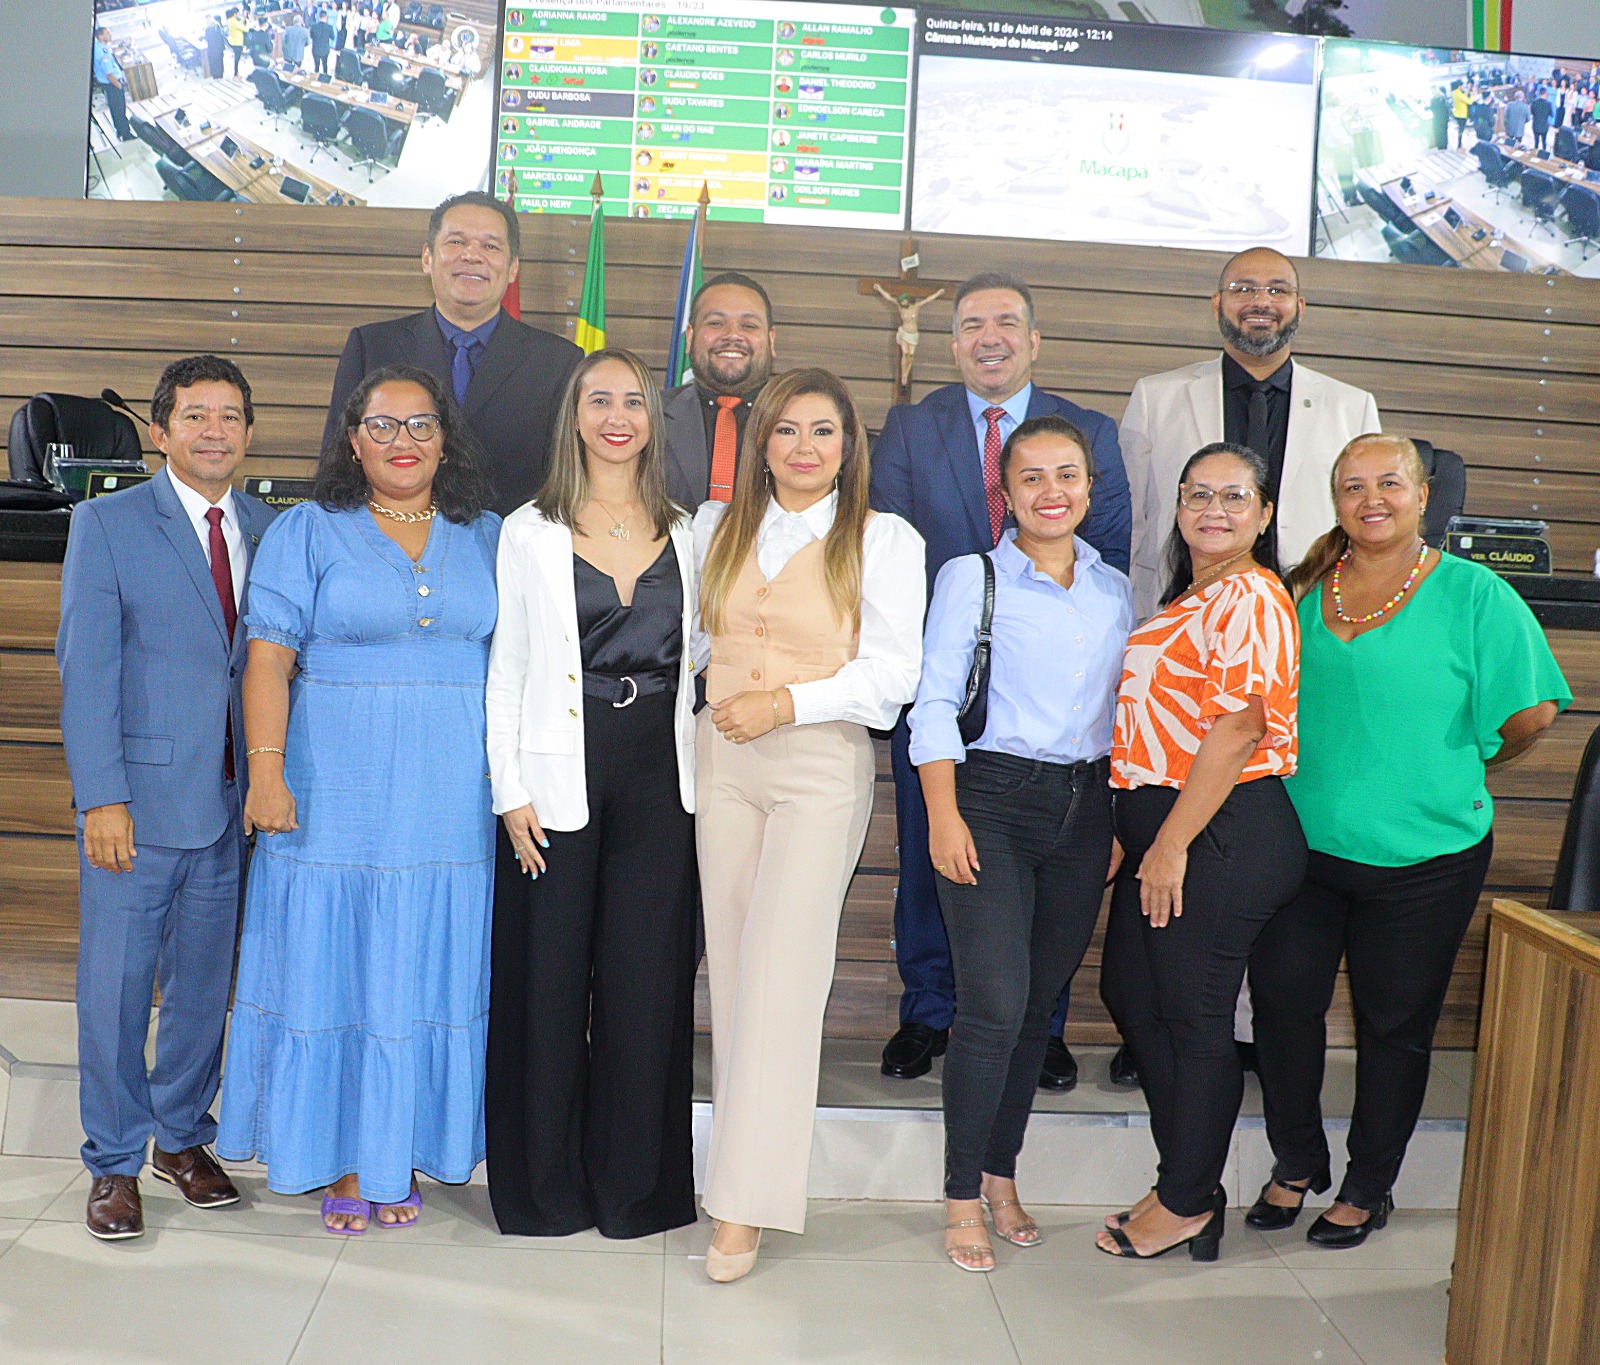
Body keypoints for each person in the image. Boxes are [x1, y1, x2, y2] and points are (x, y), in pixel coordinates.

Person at [1246, 435, 1568, 1248]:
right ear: (1336, 501)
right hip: (1303, 852)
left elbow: (1532, 714)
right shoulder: (1303, 589)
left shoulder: (1475, 593)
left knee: (1395, 1025)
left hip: (1428, 860)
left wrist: (1459, 758)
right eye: (1352, 485)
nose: (1371, 498)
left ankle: (1367, 1184)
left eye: (1389, 482)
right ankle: (1295, 1162)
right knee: (1284, 1008)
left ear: (1423, 495)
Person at [217, 365, 500, 1233]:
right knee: (333, 959)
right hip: (332, 786)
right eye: (383, 425)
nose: (402, 441)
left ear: (445, 438)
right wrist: (266, 773)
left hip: (454, 793)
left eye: (420, 424)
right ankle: (341, 1154)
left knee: (427, 962)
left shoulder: (489, 533)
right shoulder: (307, 529)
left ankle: (406, 1145)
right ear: (352, 438)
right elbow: (268, 656)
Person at [871, 271, 1132, 1090]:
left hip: (1051, 704)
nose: (991, 335)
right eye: (973, 323)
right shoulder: (912, 428)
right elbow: (890, 553)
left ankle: (1040, 1026)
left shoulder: (1089, 429)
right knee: (930, 850)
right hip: (940, 687)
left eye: (1007, 322)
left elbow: (1113, 552)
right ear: (952, 343)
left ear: (1034, 339)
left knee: (1047, 883)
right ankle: (929, 1009)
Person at [693, 367, 925, 1282]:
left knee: (786, 979)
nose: (802, 447)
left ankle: (744, 1206)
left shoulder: (883, 538)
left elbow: (892, 676)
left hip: (818, 762)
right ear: (763, 445)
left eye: (822, 431)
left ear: (848, 445)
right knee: (736, 972)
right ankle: (735, 1171)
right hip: (723, 765)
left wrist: (785, 701)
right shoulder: (718, 526)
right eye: (785, 430)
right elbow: (698, 648)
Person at [57, 355, 277, 1240]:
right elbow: (87, 671)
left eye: (230, 415)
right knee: (113, 989)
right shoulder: (106, 523)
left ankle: (181, 1138)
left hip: (234, 807)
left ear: (250, 431)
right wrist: (100, 797)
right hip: (138, 809)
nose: (214, 430)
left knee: (202, 988)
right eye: (196, 416)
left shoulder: (269, 526)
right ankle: (112, 1159)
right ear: (161, 430)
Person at [484, 349, 699, 1240]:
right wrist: (509, 790)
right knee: (548, 981)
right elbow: (508, 668)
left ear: (654, 417)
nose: (618, 415)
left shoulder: (695, 529)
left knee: (646, 985)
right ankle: (544, 1191)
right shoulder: (527, 527)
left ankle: (635, 1190)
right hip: (555, 777)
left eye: (635, 401)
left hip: (662, 774)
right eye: (599, 399)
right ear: (574, 415)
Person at [909, 415, 1132, 1272]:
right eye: (1031, 477)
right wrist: (944, 813)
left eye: (1067, 476)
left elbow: (1123, 716)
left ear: (1088, 488)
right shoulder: (974, 576)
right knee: (994, 1003)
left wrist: (1111, 819)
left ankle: (1003, 1173)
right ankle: (962, 1190)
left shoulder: (1114, 591)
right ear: (1005, 491)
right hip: (990, 801)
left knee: (1038, 1009)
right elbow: (933, 701)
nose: (1051, 492)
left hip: (1084, 812)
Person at [1096, 442, 1306, 1262]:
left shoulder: (1251, 594)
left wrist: (1172, 842)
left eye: (1233, 496)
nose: (1212, 509)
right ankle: (1186, 1177)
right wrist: (1135, 834)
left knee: (1194, 1015)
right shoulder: (1191, 596)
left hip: (1221, 831)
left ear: (1263, 513)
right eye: (1196, 494)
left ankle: (1186, 1199)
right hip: (1168, 829)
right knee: (1132, 993)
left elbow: (1238, 726)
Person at [1123, 248, 1381, 622]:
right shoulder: (1156, 397)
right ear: (1216, 304)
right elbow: (1133, 522)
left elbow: (1364, 525)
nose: (1261, 301)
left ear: (1300, 306)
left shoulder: (1352, 408)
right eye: (1243, 289)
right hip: (1180, 613)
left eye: (1278, 291)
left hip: (1310, 616)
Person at [325, 191, 582, 517]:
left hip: (509, 554)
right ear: (427, 257)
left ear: (513, 267)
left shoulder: (558, 362)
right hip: (389, 550)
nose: (472, 256)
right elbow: (339, 467)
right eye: (457, 242)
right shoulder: (372, 347)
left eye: (490, 246)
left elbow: (571, 483)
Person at [659, 272, 776, 509]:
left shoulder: (804, 421)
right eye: (715, 323)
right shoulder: (648, 415)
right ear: (690, 337)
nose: (732, 335)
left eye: (749, 325)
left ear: (771, 340)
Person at [91, 28, 134, 143]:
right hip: (112, 84)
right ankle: (126, 134)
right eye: (107, 33)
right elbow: (109, 74)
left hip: (109, 85)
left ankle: (120, 131)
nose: (110, 35)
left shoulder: (98, 47)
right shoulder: (102, 52)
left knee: (115, 109)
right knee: (119, 109)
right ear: (100, 37)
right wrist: (119, 85)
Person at [1531, 86, 1554, 153]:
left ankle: (1535, 154)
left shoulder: (1534, 103)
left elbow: (1532, 113)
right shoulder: (1548, 104)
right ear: (1545, 94)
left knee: (1536, 142)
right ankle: (1544, 155)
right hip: (1544, 126)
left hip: (1535, 125)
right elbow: (1551, 114)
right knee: (1544, 142)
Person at [226, 8, 247, 77]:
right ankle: (235, 74)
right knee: (237, 59)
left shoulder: (230, 20)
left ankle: (237, 73)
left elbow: (238, 24)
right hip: (237, 42)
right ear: (235, 14)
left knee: (237, 58)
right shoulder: (234, 22)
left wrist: (242, 20)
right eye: (238, 13)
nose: (239, 14)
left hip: (233, 41)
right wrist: (248, 22)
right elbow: (245, 29)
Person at [1450, 81, 1470, 148]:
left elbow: (1463, 97)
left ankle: (1460, 143)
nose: (1463, 87)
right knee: (1461, 129)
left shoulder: (1455, 92)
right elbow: (1469, 101)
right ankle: (1459, 143)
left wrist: (1467, 92)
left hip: (1457, 113)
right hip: (1462, 114)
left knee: (1461, 129)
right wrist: (1472, 95)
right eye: (1463, 85)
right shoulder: (1458, 93)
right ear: (1459, 86)